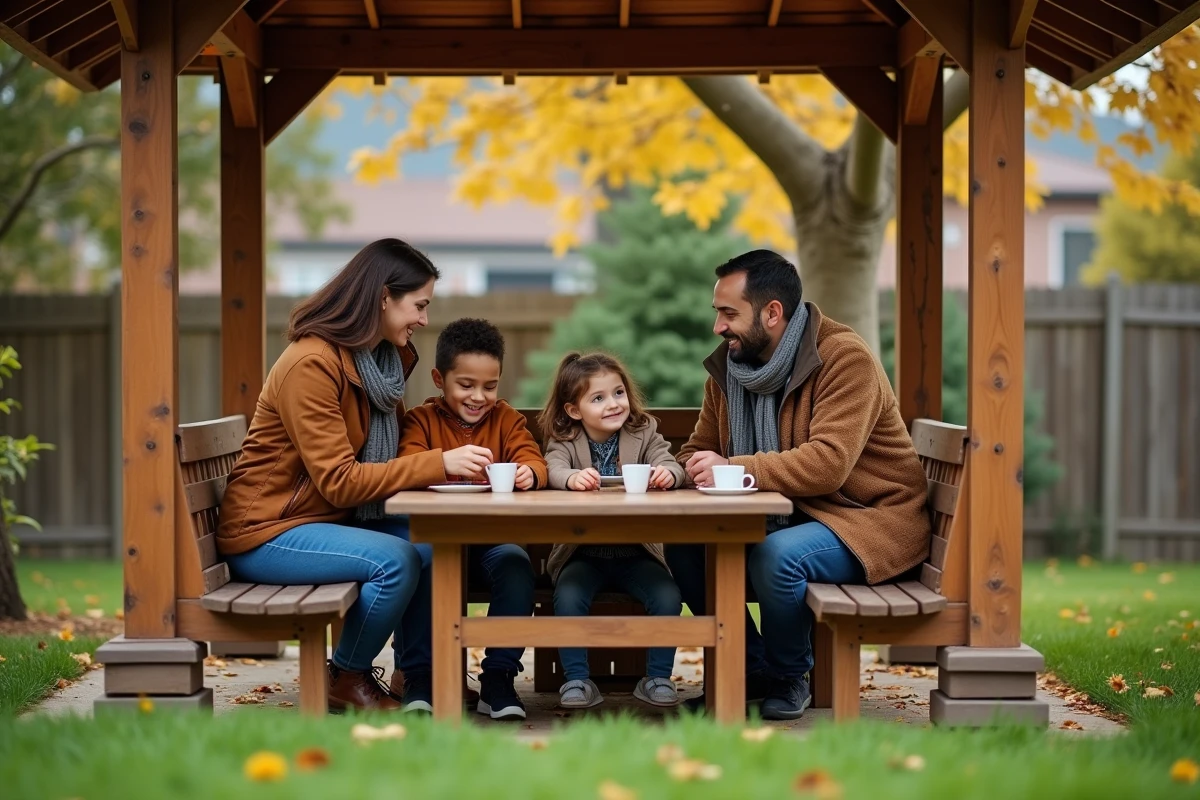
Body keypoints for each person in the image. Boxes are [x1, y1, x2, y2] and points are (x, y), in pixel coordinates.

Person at [218, 238, 491, 713]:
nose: (424, 319)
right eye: (419, 305)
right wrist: (439, 463)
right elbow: (339, 480)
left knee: (433, 540)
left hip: (322, 518)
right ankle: (347, 676)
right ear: (384, 297)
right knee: (396, 560)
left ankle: (421, 676)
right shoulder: (312, 364)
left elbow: (386, 455)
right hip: (268, 530)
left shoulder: (378, 362)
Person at [666, 249, 932, 720]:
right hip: (800, 514)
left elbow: (829, 464)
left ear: (772, 313)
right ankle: (749, 669)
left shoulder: (844, 359)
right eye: (717, 313)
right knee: (686, 545)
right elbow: (697, 448)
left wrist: (734, 466)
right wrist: (685, 468)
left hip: (866, 518)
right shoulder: (729, 369)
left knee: (779, 556)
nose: (718, 327)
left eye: (729, 314)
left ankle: (790, 676)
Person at [397, 317, 546, 720]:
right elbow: (407, 465)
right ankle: (420, 677)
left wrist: (529, 472)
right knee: (419, 560)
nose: (479, 396)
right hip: (436, 540)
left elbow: (532, 457)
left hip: (489, 543)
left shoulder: (507, 420)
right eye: (466, 384)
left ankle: (497, 677)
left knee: (516, 563)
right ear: (438, 379)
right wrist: (442, 463)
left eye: (490, 385)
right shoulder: (420, 421)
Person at [539, 352, 686, 710]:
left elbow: (669, 460)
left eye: (618, 393)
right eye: (598, 398)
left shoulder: (643, 431)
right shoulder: (567, 439)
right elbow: (552, 466)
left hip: (636, 551)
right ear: (575, 410)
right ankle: (576, 679)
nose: (613, 404)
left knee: (667, 595)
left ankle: (657, 677)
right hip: (583, 553)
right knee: (569, 596)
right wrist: (571, 477)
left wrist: (669, 474)